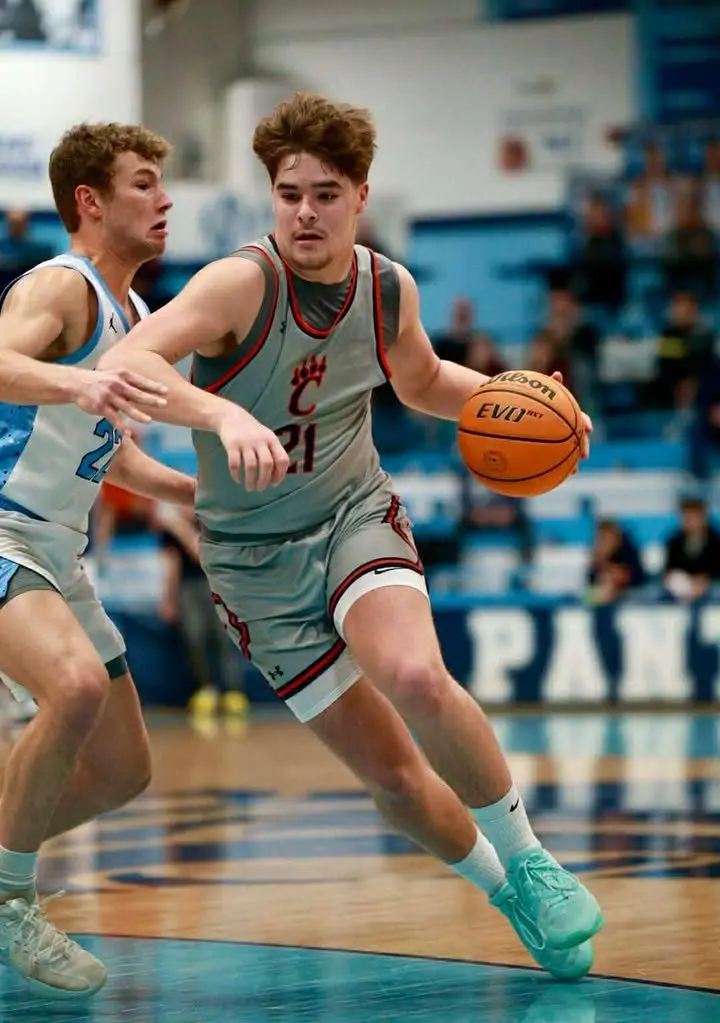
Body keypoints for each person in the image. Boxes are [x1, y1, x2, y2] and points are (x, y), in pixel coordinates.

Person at [101, 92, 603, 979]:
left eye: (325, 194)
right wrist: (220, 413)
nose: (305, 211)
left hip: (351, 513)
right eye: (289, 193)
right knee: (396, 780)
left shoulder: (387, 288)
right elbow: (124, 361)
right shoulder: (239, 283)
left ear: (361, 196)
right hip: (251, 561)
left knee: (415, 673)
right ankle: (507, 891)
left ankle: (532, 858)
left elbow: (421, 381)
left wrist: (525, 399)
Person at [0, 121, 197, 998]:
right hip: (2, 526)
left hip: (55, 548)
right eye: (143, 182)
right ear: (89, 200)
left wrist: (196, 493)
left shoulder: (139, 318)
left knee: (123, 767)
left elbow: (111, 453)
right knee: (75, 686)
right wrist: (81, 379)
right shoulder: (61, 286)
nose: (165, 199)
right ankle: (11, 902)